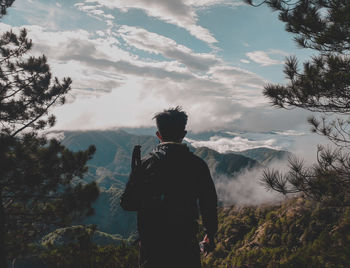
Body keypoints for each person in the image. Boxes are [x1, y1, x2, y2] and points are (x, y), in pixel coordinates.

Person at [120, 106, 218, 268]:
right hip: (186, 245)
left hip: (152, 247)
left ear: (158, 135)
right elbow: (208, 202)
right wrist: (210, 233)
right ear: (184, 134)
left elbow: (127, 203)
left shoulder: (146, 164)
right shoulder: (197, 165)